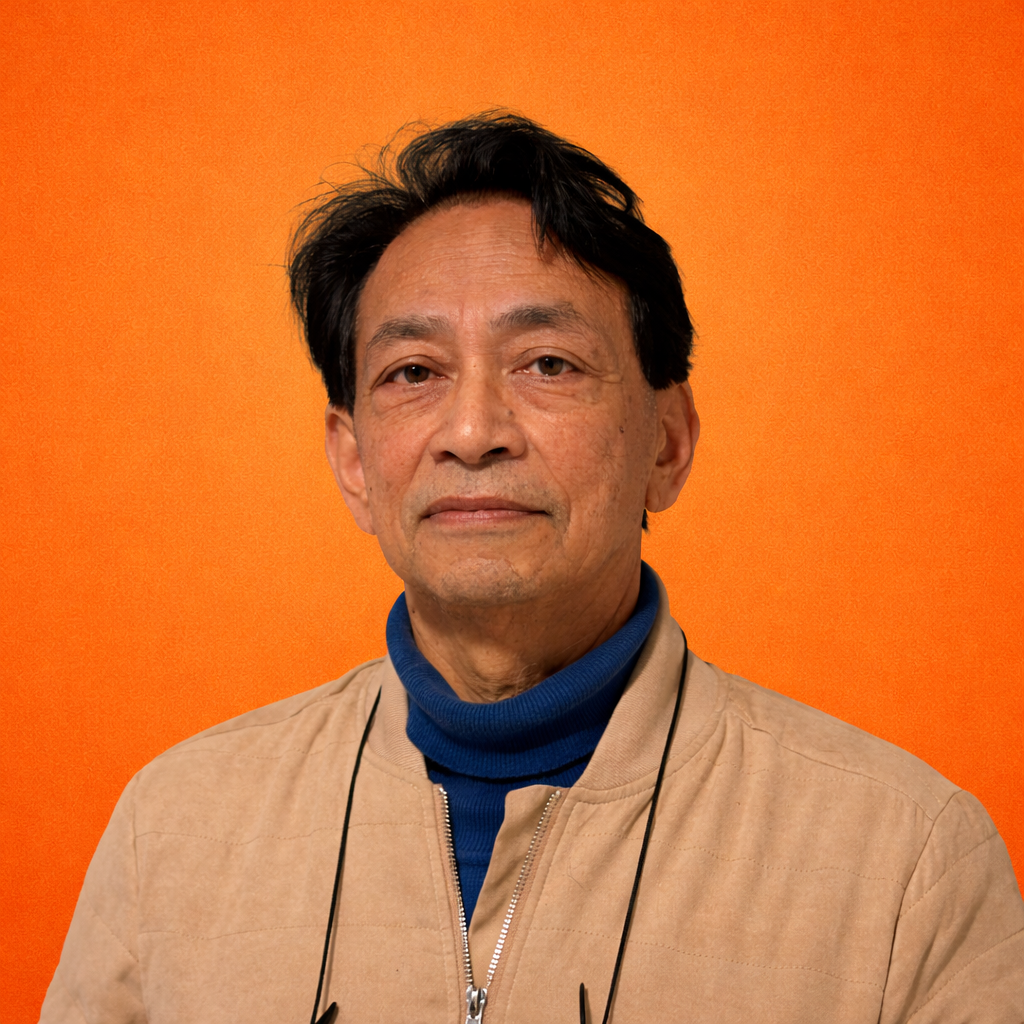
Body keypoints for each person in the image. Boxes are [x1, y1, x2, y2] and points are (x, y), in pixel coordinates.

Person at [41, 113, 1022, 1024]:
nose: (473, 432)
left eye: (547, 364)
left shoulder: (905, 860)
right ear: (353, 461)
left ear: (668, 442)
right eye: (413, 373)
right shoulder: (175, 829)